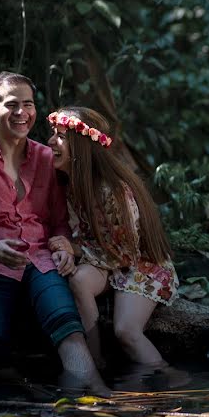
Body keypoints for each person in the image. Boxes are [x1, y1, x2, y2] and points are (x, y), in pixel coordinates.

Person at [0, 72, 107, 393]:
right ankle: (34, 397)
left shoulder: (47, 158)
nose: (22, 113)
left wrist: (62, 247)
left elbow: (59, 222)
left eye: (28, 104)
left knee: (69, 331)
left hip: (42, 262)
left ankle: (99, 397)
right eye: (12, 105)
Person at [46, 107, 179, 368]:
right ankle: (94, 361)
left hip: (139, 265)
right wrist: (68, 250)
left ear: (81, 147)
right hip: (104, 262)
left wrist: (75, 250)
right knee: (79, 280)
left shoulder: (111, 190)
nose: (51, 141)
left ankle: (168, 382)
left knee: (126, 332)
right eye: (53, 134)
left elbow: (126, 254)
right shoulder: (69, 184)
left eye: (60, 136)